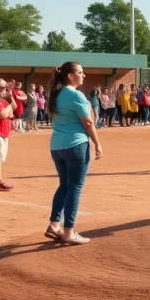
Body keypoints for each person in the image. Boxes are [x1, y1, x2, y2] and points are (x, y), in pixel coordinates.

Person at [44, 62, 103, 245]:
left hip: (57, 146)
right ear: (70, 76)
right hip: (75, 145)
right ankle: (69, 231)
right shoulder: (75, 95)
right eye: (80, 72)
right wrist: (97, 143)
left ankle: (54, 225)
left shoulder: (57, 93)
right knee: (75, 187)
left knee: (64, 185)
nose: (83, 75)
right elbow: (88, 122)